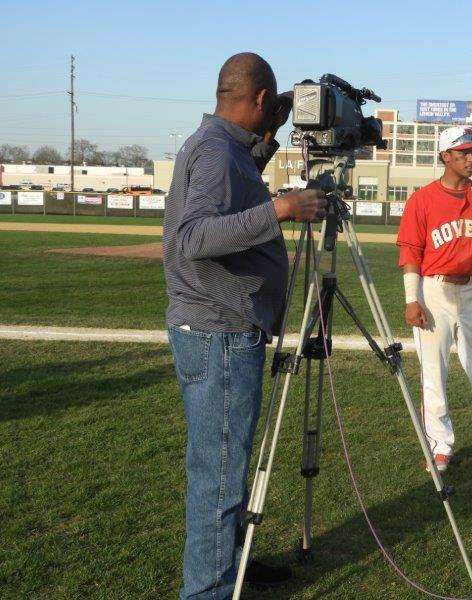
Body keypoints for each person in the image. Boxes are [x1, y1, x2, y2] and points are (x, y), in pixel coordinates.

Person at [163, 52, 326, 600]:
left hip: (219, 329)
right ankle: (209, 589)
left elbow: (236, 192)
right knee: (219, 474)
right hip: (219, 332)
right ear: (259, 98)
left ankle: (229, 563)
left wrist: (270, 139)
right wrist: (280, 211)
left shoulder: (223, 148)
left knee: (228, 462)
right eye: (271, 105)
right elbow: (194, 240)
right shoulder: (213, 154)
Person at [396, 126, 472, 473]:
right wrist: (411, 299)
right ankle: (440, 446)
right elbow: (410, 251)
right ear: (445, 156)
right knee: (434, 371)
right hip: (434, 290)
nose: (470, 158)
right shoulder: (422, 199)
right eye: (462, 152)